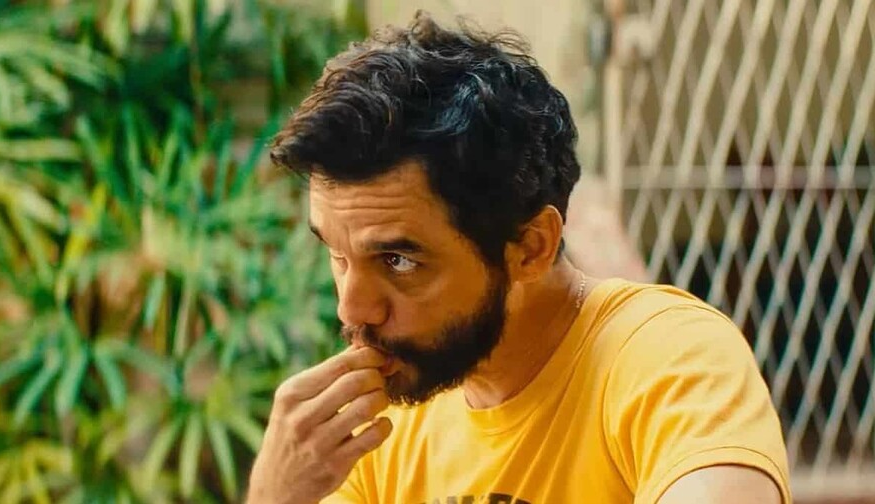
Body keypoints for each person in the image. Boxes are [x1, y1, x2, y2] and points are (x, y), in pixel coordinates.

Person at [247, 12, 790, 504]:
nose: (351, 309)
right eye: (338, 255)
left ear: (531, 248)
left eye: (398, 261)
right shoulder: (382, 422)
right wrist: (277, 494)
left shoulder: (669, 359)